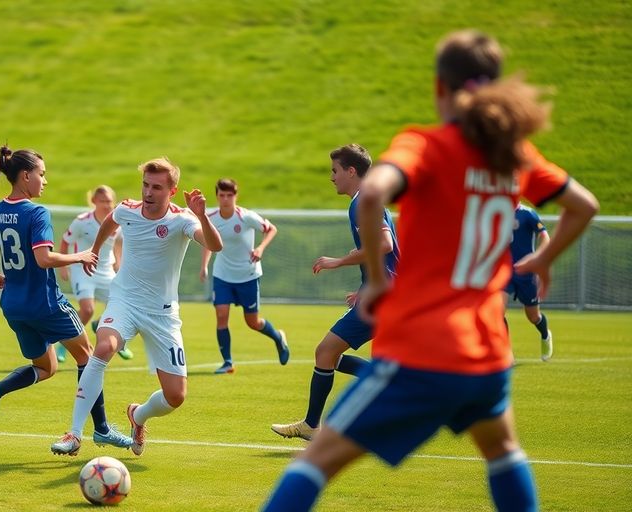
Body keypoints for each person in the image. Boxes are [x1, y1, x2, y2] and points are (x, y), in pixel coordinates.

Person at [263, 30, 599, 511]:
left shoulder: (425, 145)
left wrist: (378, 283)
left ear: (441, 88)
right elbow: (584, 205)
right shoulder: (514, 155)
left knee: (314, 461)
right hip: (486, 350)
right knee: (503, 453)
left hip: (423, 347)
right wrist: (545, 258)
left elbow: (375, 193)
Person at [0, 146, 132, 453]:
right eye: (41, 174)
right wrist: (78, 256)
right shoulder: (36, 212)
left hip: (13, 305)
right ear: (25, 176)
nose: (44, 180)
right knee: (89, 357)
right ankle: (103, 429)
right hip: (45, 303)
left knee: (46, 367)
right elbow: (43, 259)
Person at [51, 157, 223, 457]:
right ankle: (75, 434)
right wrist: (93, 250)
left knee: (176, 396)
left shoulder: (183, 219)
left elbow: (215, 245)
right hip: (125, 300)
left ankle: (138, 416)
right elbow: (110, 222)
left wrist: (203, 217)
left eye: (157, 187)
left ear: (172, 189)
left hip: (163, 313)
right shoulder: (127, 209)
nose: (148, 192)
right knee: (103, 348)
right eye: (145, 184)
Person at [271, 144, 400, 441]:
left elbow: (384, 246)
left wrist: (339, 261)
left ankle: (312, 425)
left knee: (325, 352)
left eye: (335, 171)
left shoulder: (363, 201)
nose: (331, 177)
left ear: (351, 171)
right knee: (328, 354)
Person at [199, 178, 288, 374]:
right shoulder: (210, 217)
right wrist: (204, 265)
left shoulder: (245, 217)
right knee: (221, 317)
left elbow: (271, 229)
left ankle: (278, 337)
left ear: (235, 196)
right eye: (221, 195)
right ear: (217, 196)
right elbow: (208, 242)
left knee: (253, 323)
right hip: (222, 275)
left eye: (229, 195)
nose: (225, 199)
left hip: (247, 275)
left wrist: (260, 248)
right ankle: (228, 362)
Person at [56, 185, 134, 363]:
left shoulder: (117, 221)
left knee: (121, 309)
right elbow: (65, 241)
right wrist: (63, 266)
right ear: (94, 202)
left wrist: (118, 265)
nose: (107, 205)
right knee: (87, 309)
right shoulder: (82, 221)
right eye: (102, 201)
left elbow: (117, 245)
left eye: (109, 201)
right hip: (82, 270)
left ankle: (111, 337)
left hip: (106, 270)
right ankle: (64, 344)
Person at [505, 204, 553, 361]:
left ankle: (545, 335)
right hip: (504, 272)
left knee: (533, 317)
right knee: (496, 311)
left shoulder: (528, 214)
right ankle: (506, 354)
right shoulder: (496, 209)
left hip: (527, 273)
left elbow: (545, 237)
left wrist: (537, 259)